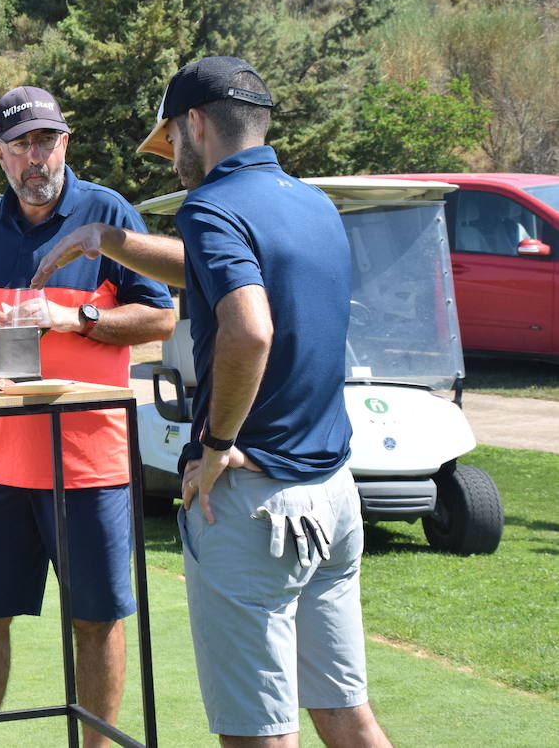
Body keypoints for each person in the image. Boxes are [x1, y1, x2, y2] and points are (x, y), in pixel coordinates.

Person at [33, 57, 393, 747]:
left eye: (171, 141)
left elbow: (250, 327)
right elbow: (217, 266)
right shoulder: (312, 202)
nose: (173, 161)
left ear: (194, 124)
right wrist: (111, 241)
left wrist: (217, 445)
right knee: (347, 716)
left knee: (257, 734)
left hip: (255, 503)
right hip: (333, 497)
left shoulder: (211, 206)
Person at [0, 87, 174, 747]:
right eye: (19, 145)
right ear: (0, 154)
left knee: (96, 622)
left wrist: (74, 315)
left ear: (65, 143)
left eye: (44, 141)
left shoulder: (106, 214)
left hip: (88, 463)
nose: (34, 157)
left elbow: (161, 315)